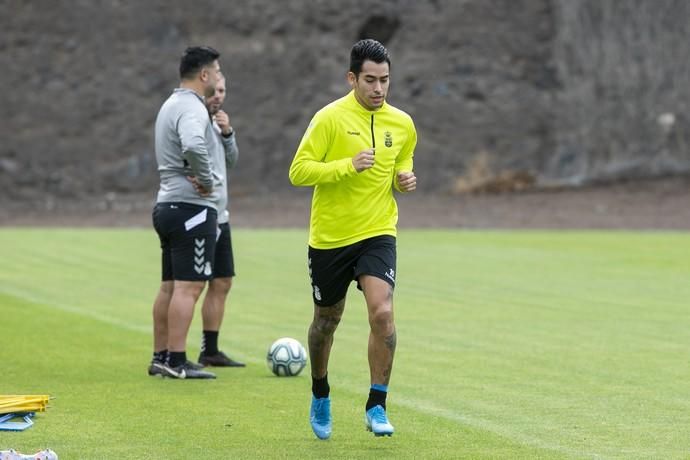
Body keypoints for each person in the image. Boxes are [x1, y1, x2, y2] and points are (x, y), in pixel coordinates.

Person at [288, 39, 417, 439]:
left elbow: (404, 156)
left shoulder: (403, 123)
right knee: (326, 321)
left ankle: (377, 403)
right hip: (330, 238)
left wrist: (404, 177)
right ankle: (320, 392)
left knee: (382, 313)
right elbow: (299, 171)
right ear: (352, 78)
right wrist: (347, 165)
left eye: (385, 81)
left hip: (378, 231)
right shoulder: (329, 118)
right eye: (370, 81)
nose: (378, 89)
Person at [148, 46, 223, 379]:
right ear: (204, 75)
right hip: (190, 207)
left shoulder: (170, 104)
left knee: (169, 287)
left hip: (166, 204)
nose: (219, 77)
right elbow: (193, 144)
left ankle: (161, 355)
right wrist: (207, 179)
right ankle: (176, 361)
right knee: (189, 288)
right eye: (217, 72)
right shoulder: (193, 108)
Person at [196, 74, 245, 368]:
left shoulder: (218, 123)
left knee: (222, 281)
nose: (218, 96)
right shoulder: (194, 121)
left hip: (221, 216)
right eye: (213, 90)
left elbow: (232, 161)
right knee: (191, 285)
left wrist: (228, 134)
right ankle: (171, 353)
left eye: (223, 90)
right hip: (201, 214)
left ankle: (210, 350)